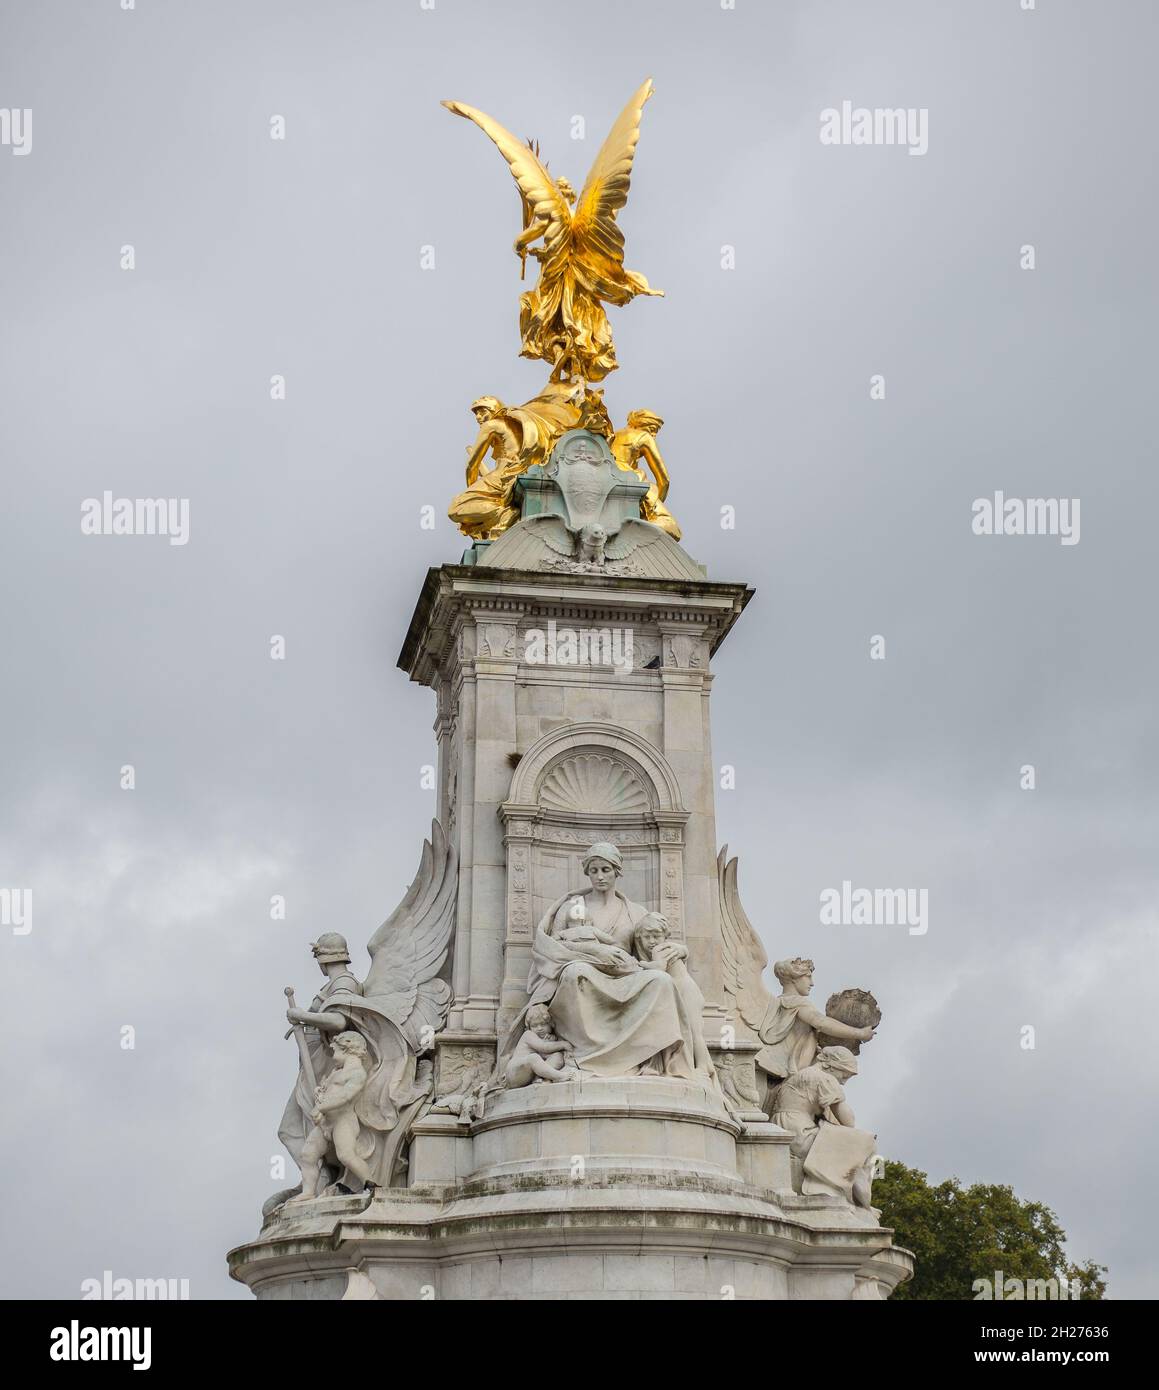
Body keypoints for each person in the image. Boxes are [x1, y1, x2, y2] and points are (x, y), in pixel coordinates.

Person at [753, 957, 875, 1111]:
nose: (812, 983)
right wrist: (860, 1033)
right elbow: (821, 1023)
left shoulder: (779, 1003)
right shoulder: (797, 1002)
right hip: (784, 1071)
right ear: (794, 978)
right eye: (808, 977)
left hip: (778, 1071)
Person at [768, 1046, 876, 1208]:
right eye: (844, 1074)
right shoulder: (823, 1078)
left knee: (862, 1149)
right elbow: (848, 1121)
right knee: (868, 1144)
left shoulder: (805, 1074)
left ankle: (857, 1188)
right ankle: (863, 1197)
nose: (843, 1081)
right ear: (830, 1066)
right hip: (800, 1131)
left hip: (788, 1124)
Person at [287, 1032, 374, 1204]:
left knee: (346, 1155)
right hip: (326, 1123)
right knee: (307, 1155)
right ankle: (309, 1192)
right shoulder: (336, 1072)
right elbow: (329, 1092)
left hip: (344, 1121)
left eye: (335, 1051)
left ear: (347, 1048)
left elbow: (346, 1096)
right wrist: (320, 1094)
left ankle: (372, 1186)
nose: (333, 1057)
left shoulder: (358, 1073)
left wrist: (320, 1107)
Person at [505, 1004, 581, 1087]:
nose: (539, 1028)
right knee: (533, 1057)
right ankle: (559, 1076)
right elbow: (544, 1047)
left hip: (528, 1075)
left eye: (543, 1024)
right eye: (534, 1026)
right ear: (529, 1027)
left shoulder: (546, 1038)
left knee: (557, 1056)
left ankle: (542, 1077)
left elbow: (544, 1054)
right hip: (514, 1073)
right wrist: (563, 1044)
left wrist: (551, 1041)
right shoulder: (528, 1035)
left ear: (550, 1024)